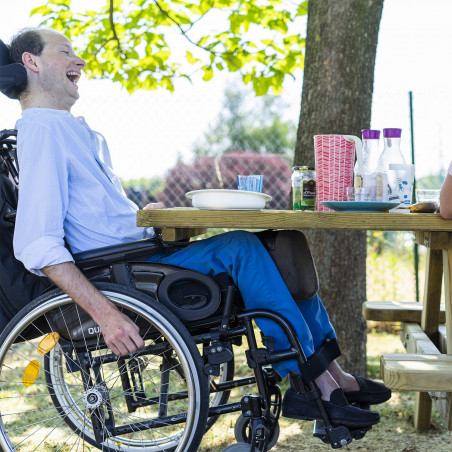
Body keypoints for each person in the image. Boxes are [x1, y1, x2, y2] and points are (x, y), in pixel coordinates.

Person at [1, 27, 391, 428]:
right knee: (243, 248)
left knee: (285, 243)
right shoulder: (43, 131)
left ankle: (332, 373)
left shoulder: (68, 130)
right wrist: (106, 314)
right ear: (31, 63)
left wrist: (142, 218)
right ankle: (310, 386)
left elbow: (94, 220)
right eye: (65, 52)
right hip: (121, 277)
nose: (78, 61)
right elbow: (38, 244)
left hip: (142, 253)